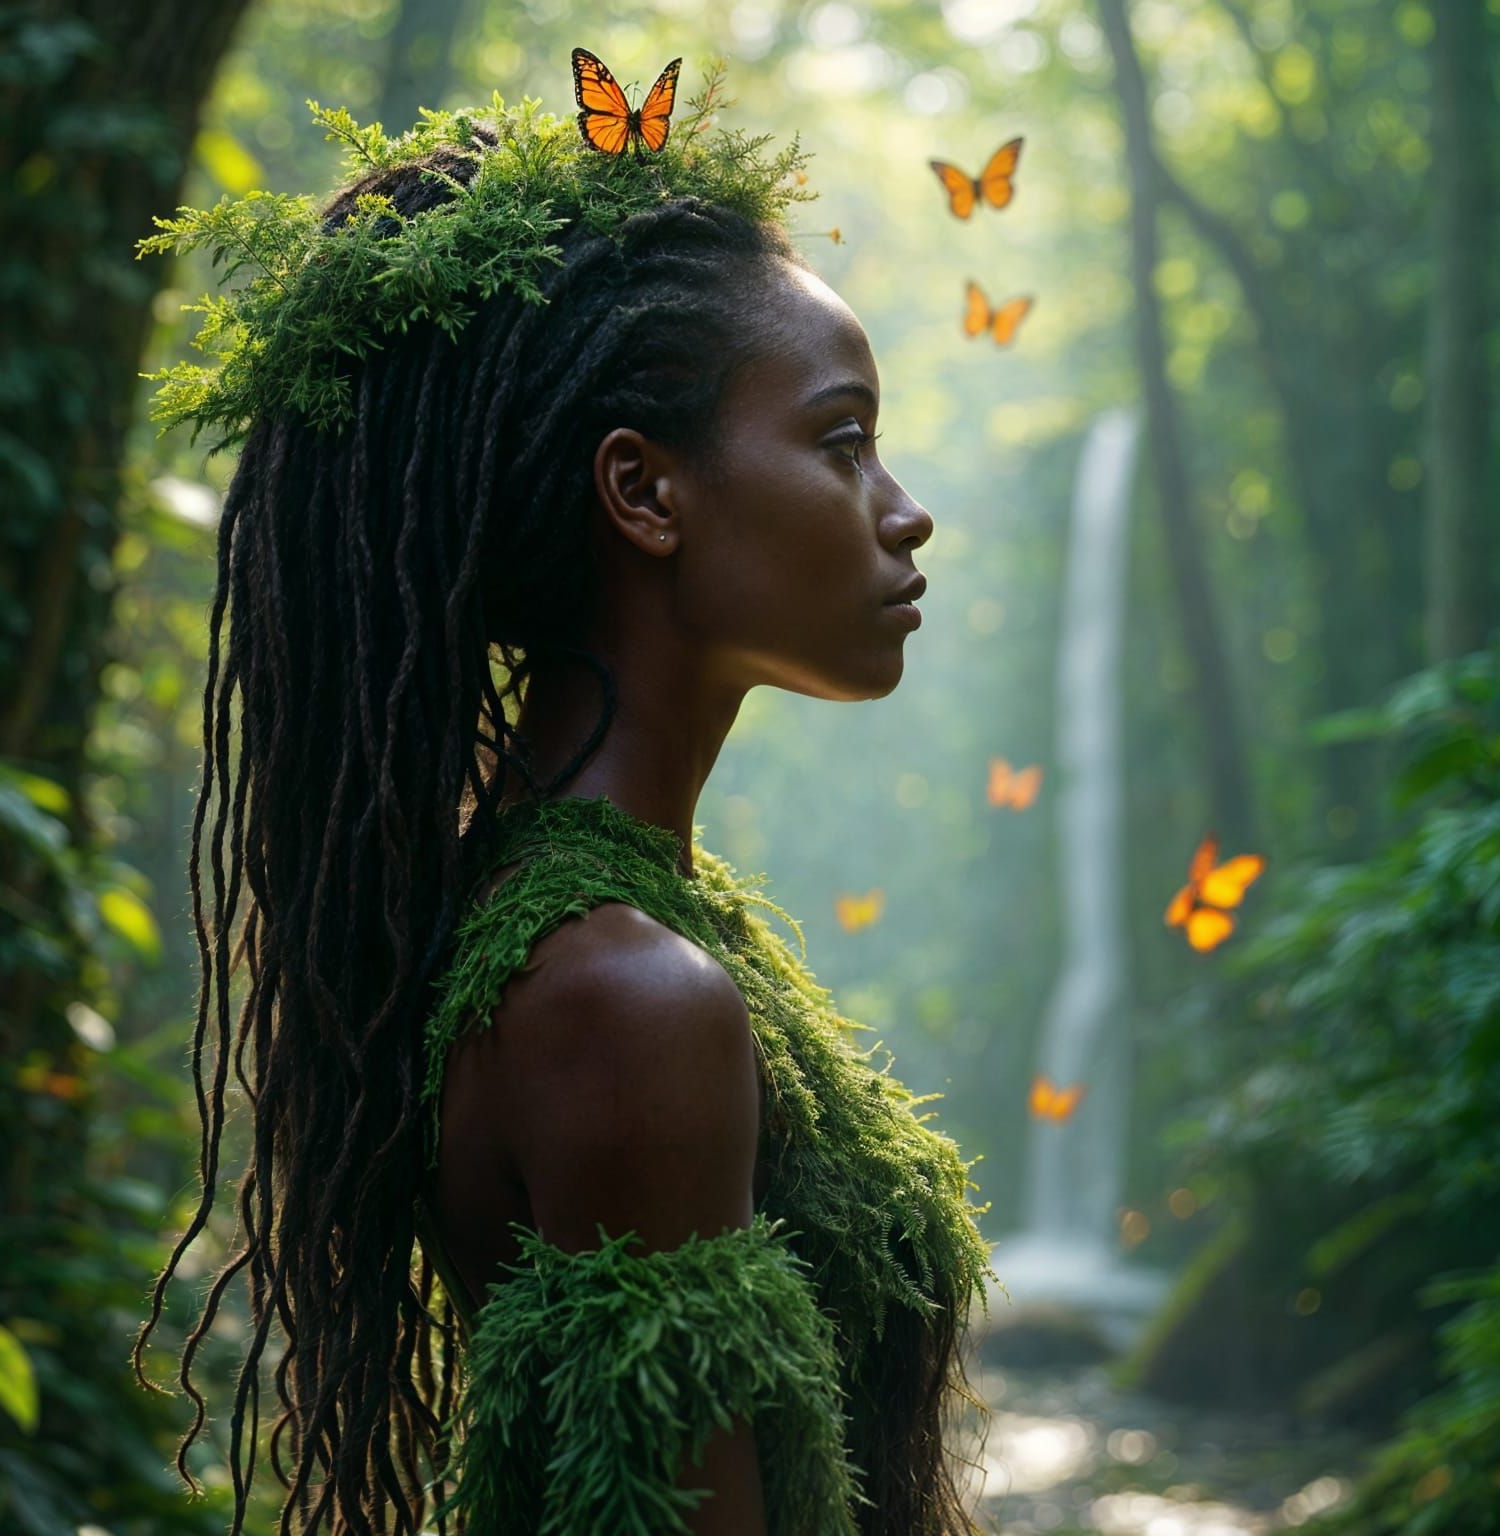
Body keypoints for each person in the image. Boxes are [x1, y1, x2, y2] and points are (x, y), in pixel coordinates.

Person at [131, 71, 999, 1536]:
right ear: (643, 494)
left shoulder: (588, 922)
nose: (903, 508)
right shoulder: (622, 993)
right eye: (844, 441)